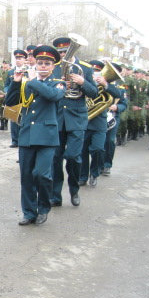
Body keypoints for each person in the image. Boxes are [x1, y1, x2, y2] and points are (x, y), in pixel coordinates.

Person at [5, 45, 65, 226]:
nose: (43, 66)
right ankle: (29, 212)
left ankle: (44, 207)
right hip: (28, 134)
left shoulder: (58, 83)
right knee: (26, 176)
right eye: (40, 63)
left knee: (42, 174)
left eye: (47, 63)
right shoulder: (26, 83)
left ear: (53, 66)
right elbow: (10, 102)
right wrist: (16, 82)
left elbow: (53, 96)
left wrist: (32, 81)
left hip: (47, 136)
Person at [50, 36, 98, 208]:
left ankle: (74, 189)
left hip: (76, 119)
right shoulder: (54, 68)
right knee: (55, 159)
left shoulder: (84, 68)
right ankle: (55, 195)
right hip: (57, 118)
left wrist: (83, 82)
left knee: (73, 157)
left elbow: (94, 92)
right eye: (60, 52)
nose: (63, 54)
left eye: (65, 51)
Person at [79, 60, 121, 187]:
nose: (95, 74)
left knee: (98, 149)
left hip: (99, 123)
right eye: (93, 71)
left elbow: (118, 94)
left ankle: (94, 173)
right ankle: (83, 176)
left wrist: (105, 83)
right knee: (82, 151)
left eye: (98, 71)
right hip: (83, 121)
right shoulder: (83, 81)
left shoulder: (106, 85)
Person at [102, 63, 127, 175]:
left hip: (113, 117)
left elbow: (124, 104)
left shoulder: (120, 88)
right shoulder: (99, 84)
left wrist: (117, 107)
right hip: (99, 116)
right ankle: (96, 165)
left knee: (110, 141)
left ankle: (107, 165)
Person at [5, 49, 29, 147]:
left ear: (24, 60)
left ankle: (22, 140)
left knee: (22, 120)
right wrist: (7, 92)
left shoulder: (28, 70)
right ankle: (15, 141)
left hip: (24, 98)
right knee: (13, 119)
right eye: (17, 58)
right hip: (14, 99)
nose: (18, 60)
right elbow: (7, 84)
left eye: (20, 58)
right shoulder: (10, 71)